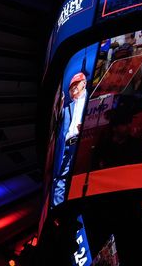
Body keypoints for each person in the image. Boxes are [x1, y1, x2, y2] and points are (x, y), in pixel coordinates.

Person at [52, 71, 87, 205]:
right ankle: (57, 208)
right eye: (71, 87)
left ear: (84, 83)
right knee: (61, 178)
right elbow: (58, 125)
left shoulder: (92, 98)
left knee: (79, 178)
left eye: (75, 85)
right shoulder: (67, 107)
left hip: (82, 143)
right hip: (67, 146)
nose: (73, 89)